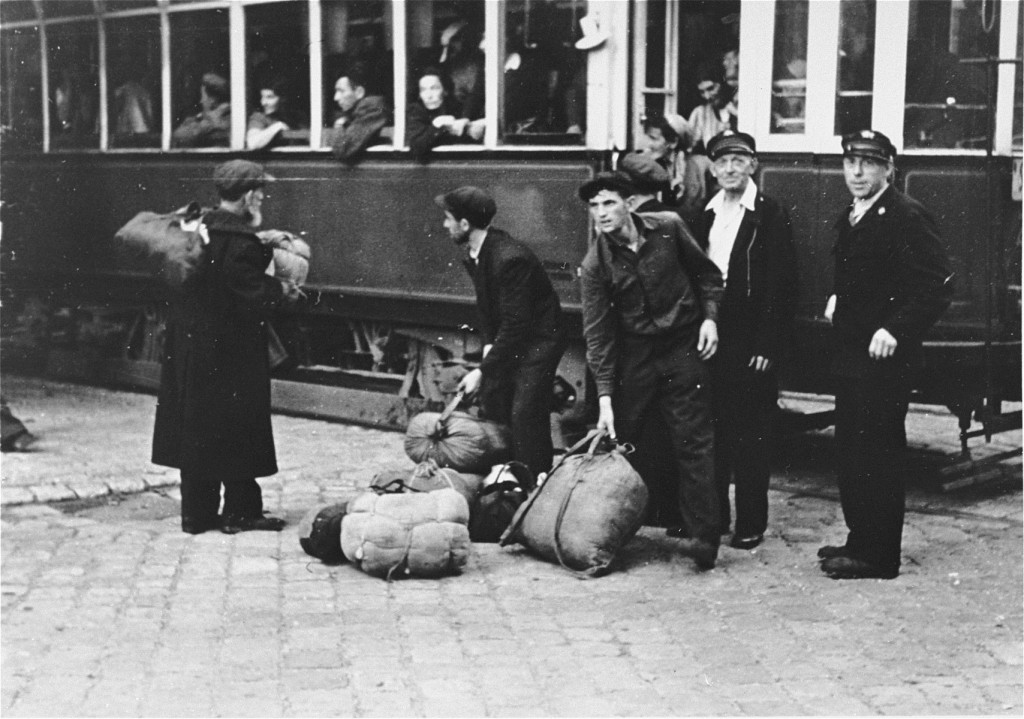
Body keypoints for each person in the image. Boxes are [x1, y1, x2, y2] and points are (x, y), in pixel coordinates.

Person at [820, 130, 953, 579]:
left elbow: (937, 285)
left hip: (882, 360)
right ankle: (861, 539)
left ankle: (880, 556)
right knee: (852, 452)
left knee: (877, 453)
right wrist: (840, 297)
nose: (856, 171)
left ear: (888, 167)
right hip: (852, 353)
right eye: (850, 162)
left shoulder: (905, 215)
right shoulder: (856, 212)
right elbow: (864, 272)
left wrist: (896, 329)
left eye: (868, 162)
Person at [578, 172, 724, 570]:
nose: (601, 213)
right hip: (636, 355)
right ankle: (612, 534)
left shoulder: (669, 228)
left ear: (629, 203)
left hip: (681, 347)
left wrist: (709, 320)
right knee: (626, 442)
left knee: (694, 441)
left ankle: (703, 539)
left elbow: (708, 277)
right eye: (594, 206)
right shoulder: (595, 265)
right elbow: (598, 336)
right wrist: (606, 398)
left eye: (609, 203)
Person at [152, 160, 299, 535]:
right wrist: (282, 290)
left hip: (189, 348)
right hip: (229, 351)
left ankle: (197, 516)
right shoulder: (241, 243)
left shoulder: (198, 229)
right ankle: (241, 512)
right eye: (260, 191)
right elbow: (251, 294)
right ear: (248, 196)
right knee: (239, 425)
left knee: (198, 428)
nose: (263, 196)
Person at [691, 130, 798, 551]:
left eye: (739, 160)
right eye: (722, 162)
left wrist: (766, 346)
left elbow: (782, 285)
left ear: (753, 165)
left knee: (750, 433)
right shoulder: (706, 214)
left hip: (750, 336)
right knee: (711, 429)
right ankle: (714, 517)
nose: (730, 169)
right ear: (713, 169)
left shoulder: (770, 214)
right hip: (711, 329)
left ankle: (751, 522)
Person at [435, 186, 567, 480]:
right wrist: (487, 352)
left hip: (539, 342)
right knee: (496, 401)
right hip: (517, 338)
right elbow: (487, 310)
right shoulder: (480, 252)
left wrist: (482, 371)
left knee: (525, 413)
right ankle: (506, 475)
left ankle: (533, 482)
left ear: (465, 224)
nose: (445, 225)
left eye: (448, 218)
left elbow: (515, 324)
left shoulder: (509, 258)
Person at [641, 114, 711, 224]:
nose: (647, 144)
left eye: (653, 138)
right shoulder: (653, 167)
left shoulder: (700, 166)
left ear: (673, 142)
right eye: (647, 137)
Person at [407, 68, 484, 162]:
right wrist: (437, 125)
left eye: (434, 88)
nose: (428, 95)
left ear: (445, 91)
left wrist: (471, 126)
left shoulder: (457, 109)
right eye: (423, 90)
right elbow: (417, 148)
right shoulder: (416, 111)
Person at [328, 63, 388, 164]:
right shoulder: (361, 111)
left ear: (359, 92)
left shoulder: (373, 109)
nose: (336, 97)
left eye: (341, 91)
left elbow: (344, 149)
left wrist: (339, 125)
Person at [686, 67, 737, 154]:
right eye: (702, 92)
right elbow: (689, 147)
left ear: (722, 83)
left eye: (711, 89)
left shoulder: (742, 106)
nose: (707, 96)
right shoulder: (700, 113)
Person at [172, 72, 230, 148]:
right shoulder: (203, 118)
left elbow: (180, 136)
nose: (201, 101)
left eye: (203, 96)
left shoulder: (226, 120)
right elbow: (177, 135)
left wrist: (204, 125)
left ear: (213, 99)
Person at [246, 77, 304, 151]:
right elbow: (252, 144)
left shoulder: (297, 116)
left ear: (283, 99)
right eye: (262, 97)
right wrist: (277, 126)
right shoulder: (259, 117)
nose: (263, 103)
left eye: (269, 97)